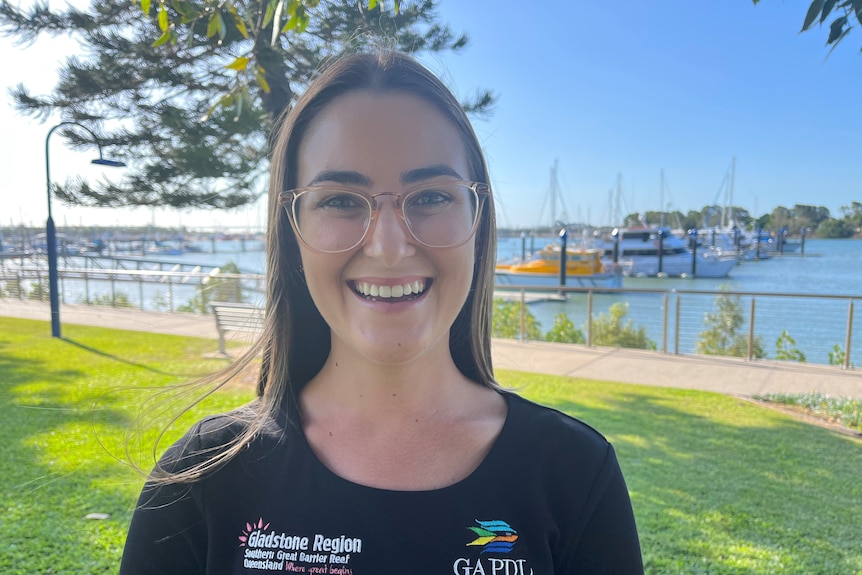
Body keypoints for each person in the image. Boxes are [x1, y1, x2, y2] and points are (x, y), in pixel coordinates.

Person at [120, 50, 643, 574]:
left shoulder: (574, 472)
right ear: (292, 230)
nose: (389, 247)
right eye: (341, 201)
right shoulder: (204, 478)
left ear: (479, 222)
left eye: (432, 196)